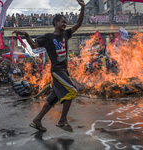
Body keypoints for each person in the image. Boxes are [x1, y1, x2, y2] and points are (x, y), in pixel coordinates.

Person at [13, 0, 85, 132]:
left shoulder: (66, 34)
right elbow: (34, 46)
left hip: (64, 71)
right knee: (72, 90)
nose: (65, 24)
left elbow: (79, 24)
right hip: (57, 71)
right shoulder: (48, 37)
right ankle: (62, 120)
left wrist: (83, 8)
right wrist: (27, 36)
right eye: (62, 21)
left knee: (53, 99)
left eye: (65, 22)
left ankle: (37, 120)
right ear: (55, 23)